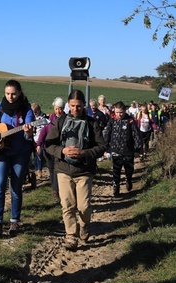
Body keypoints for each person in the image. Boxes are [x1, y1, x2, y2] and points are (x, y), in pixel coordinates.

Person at [44, 90, 105, 251]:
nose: (75, 109)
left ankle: (84, 224)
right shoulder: (60, 121)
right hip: (63, 169)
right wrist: (62, 151)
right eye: (72, 106)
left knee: (84, 206)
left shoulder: (92, 123)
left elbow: (101, 147)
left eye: (78, 106)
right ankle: (71, 236)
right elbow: (49, 144)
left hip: (84, 171)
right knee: (67, 205)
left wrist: (84, 153)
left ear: (83, 105)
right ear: (68, 105)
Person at [0, 79, 36, 237]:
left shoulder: (26, 110)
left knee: (16, 187)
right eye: (7, 94)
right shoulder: (1, 107)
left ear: (19, 93)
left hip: (20, 153)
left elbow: (29, 134)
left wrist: (28, 131)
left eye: (13, 94)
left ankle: (14, 221)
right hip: (2, 152)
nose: (10, 97)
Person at [104, 101, 142, 197]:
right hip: (116, 150)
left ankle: (128, 179)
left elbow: (136, 135)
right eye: (117, 112)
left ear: (125, 111)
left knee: (129, 170)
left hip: (128, 151)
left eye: (121, 112)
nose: (119, 114)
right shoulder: (112, 121)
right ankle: (116, 188)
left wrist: (137, 149)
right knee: (116, 171)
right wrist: (105, 149)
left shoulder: (130, 121)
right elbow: (107, 135)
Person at [35, 97, 64, 203]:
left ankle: (60, 190)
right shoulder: (49, 119)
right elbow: (43, 131)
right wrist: (39, 144)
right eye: (56, 108)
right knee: (52, 170)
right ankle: (55, 191)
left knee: (58, 170)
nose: (58, 111)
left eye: (60, 108)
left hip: (60, 149)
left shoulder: (66, 119)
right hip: (48, 149)